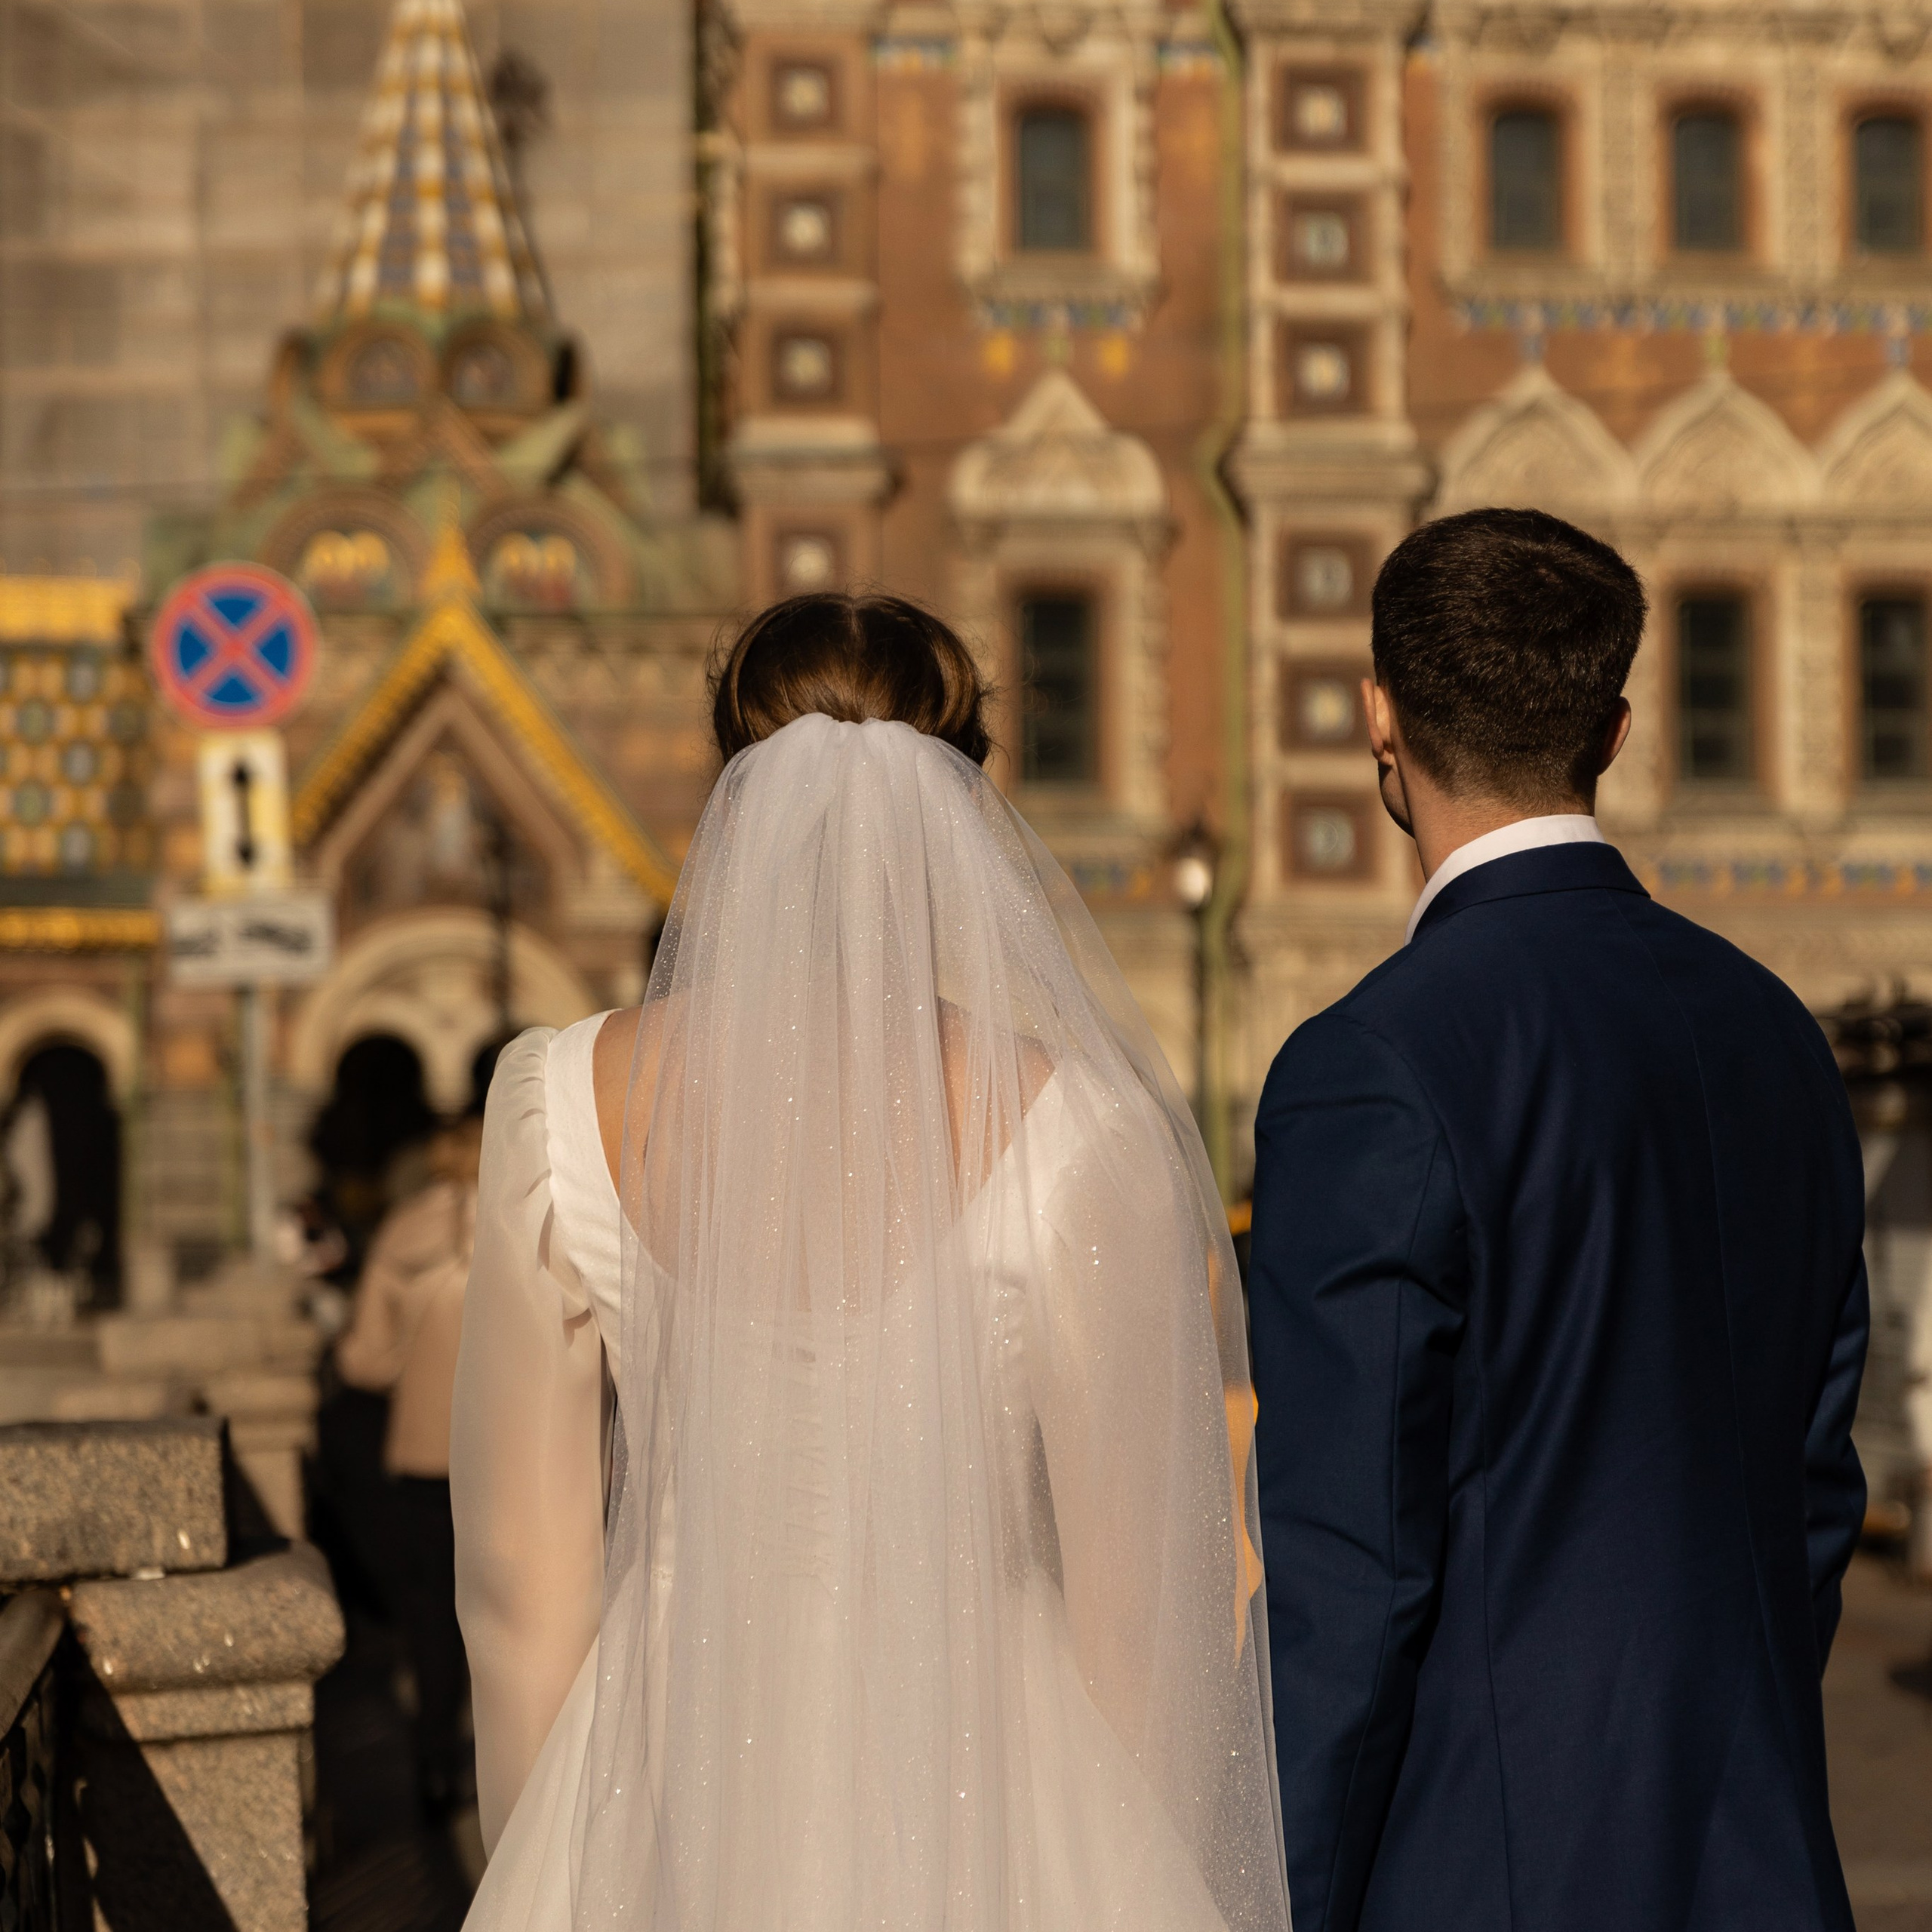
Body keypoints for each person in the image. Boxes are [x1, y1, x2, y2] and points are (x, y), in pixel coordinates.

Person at [448, 593, 1290, 1932]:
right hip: (995, 1784)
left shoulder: (556, 1104)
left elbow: (518, 1584)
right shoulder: (1083, 1131)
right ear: (963, 804)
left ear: (736, 789)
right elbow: (1144, 1618)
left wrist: (541, 1856)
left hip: (659, 1776)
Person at [1248, 508, 1869, 1932]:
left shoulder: (1371, 1063)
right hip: (1762, 1860)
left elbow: (1350, 1573)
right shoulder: (1777, 1031)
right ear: (1616, 728)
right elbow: (1811, 1498)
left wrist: (1280, 1902)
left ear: (1378, 718)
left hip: (1484, 1872)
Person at [336, 1088, 490, 1822]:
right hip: (513, 1461)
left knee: (431, 1618)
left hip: (425, 1458)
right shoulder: (539, 1224)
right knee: (518, 1616)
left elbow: (364, 1362)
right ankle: (523, 1775)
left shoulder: (402, 1232)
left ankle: (434, 1762)